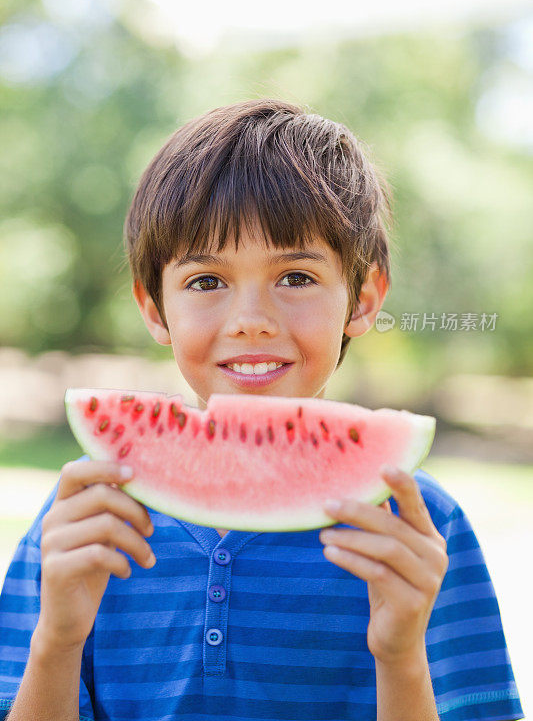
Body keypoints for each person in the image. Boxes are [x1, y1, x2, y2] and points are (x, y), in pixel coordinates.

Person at [0, 98, 524, 721]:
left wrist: (400, 657)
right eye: (206, 282)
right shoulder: (84, 520)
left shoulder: (415, 529)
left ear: (363, 299)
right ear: (153, 307)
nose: (251, 321)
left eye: (296, 277)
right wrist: (56, 643)